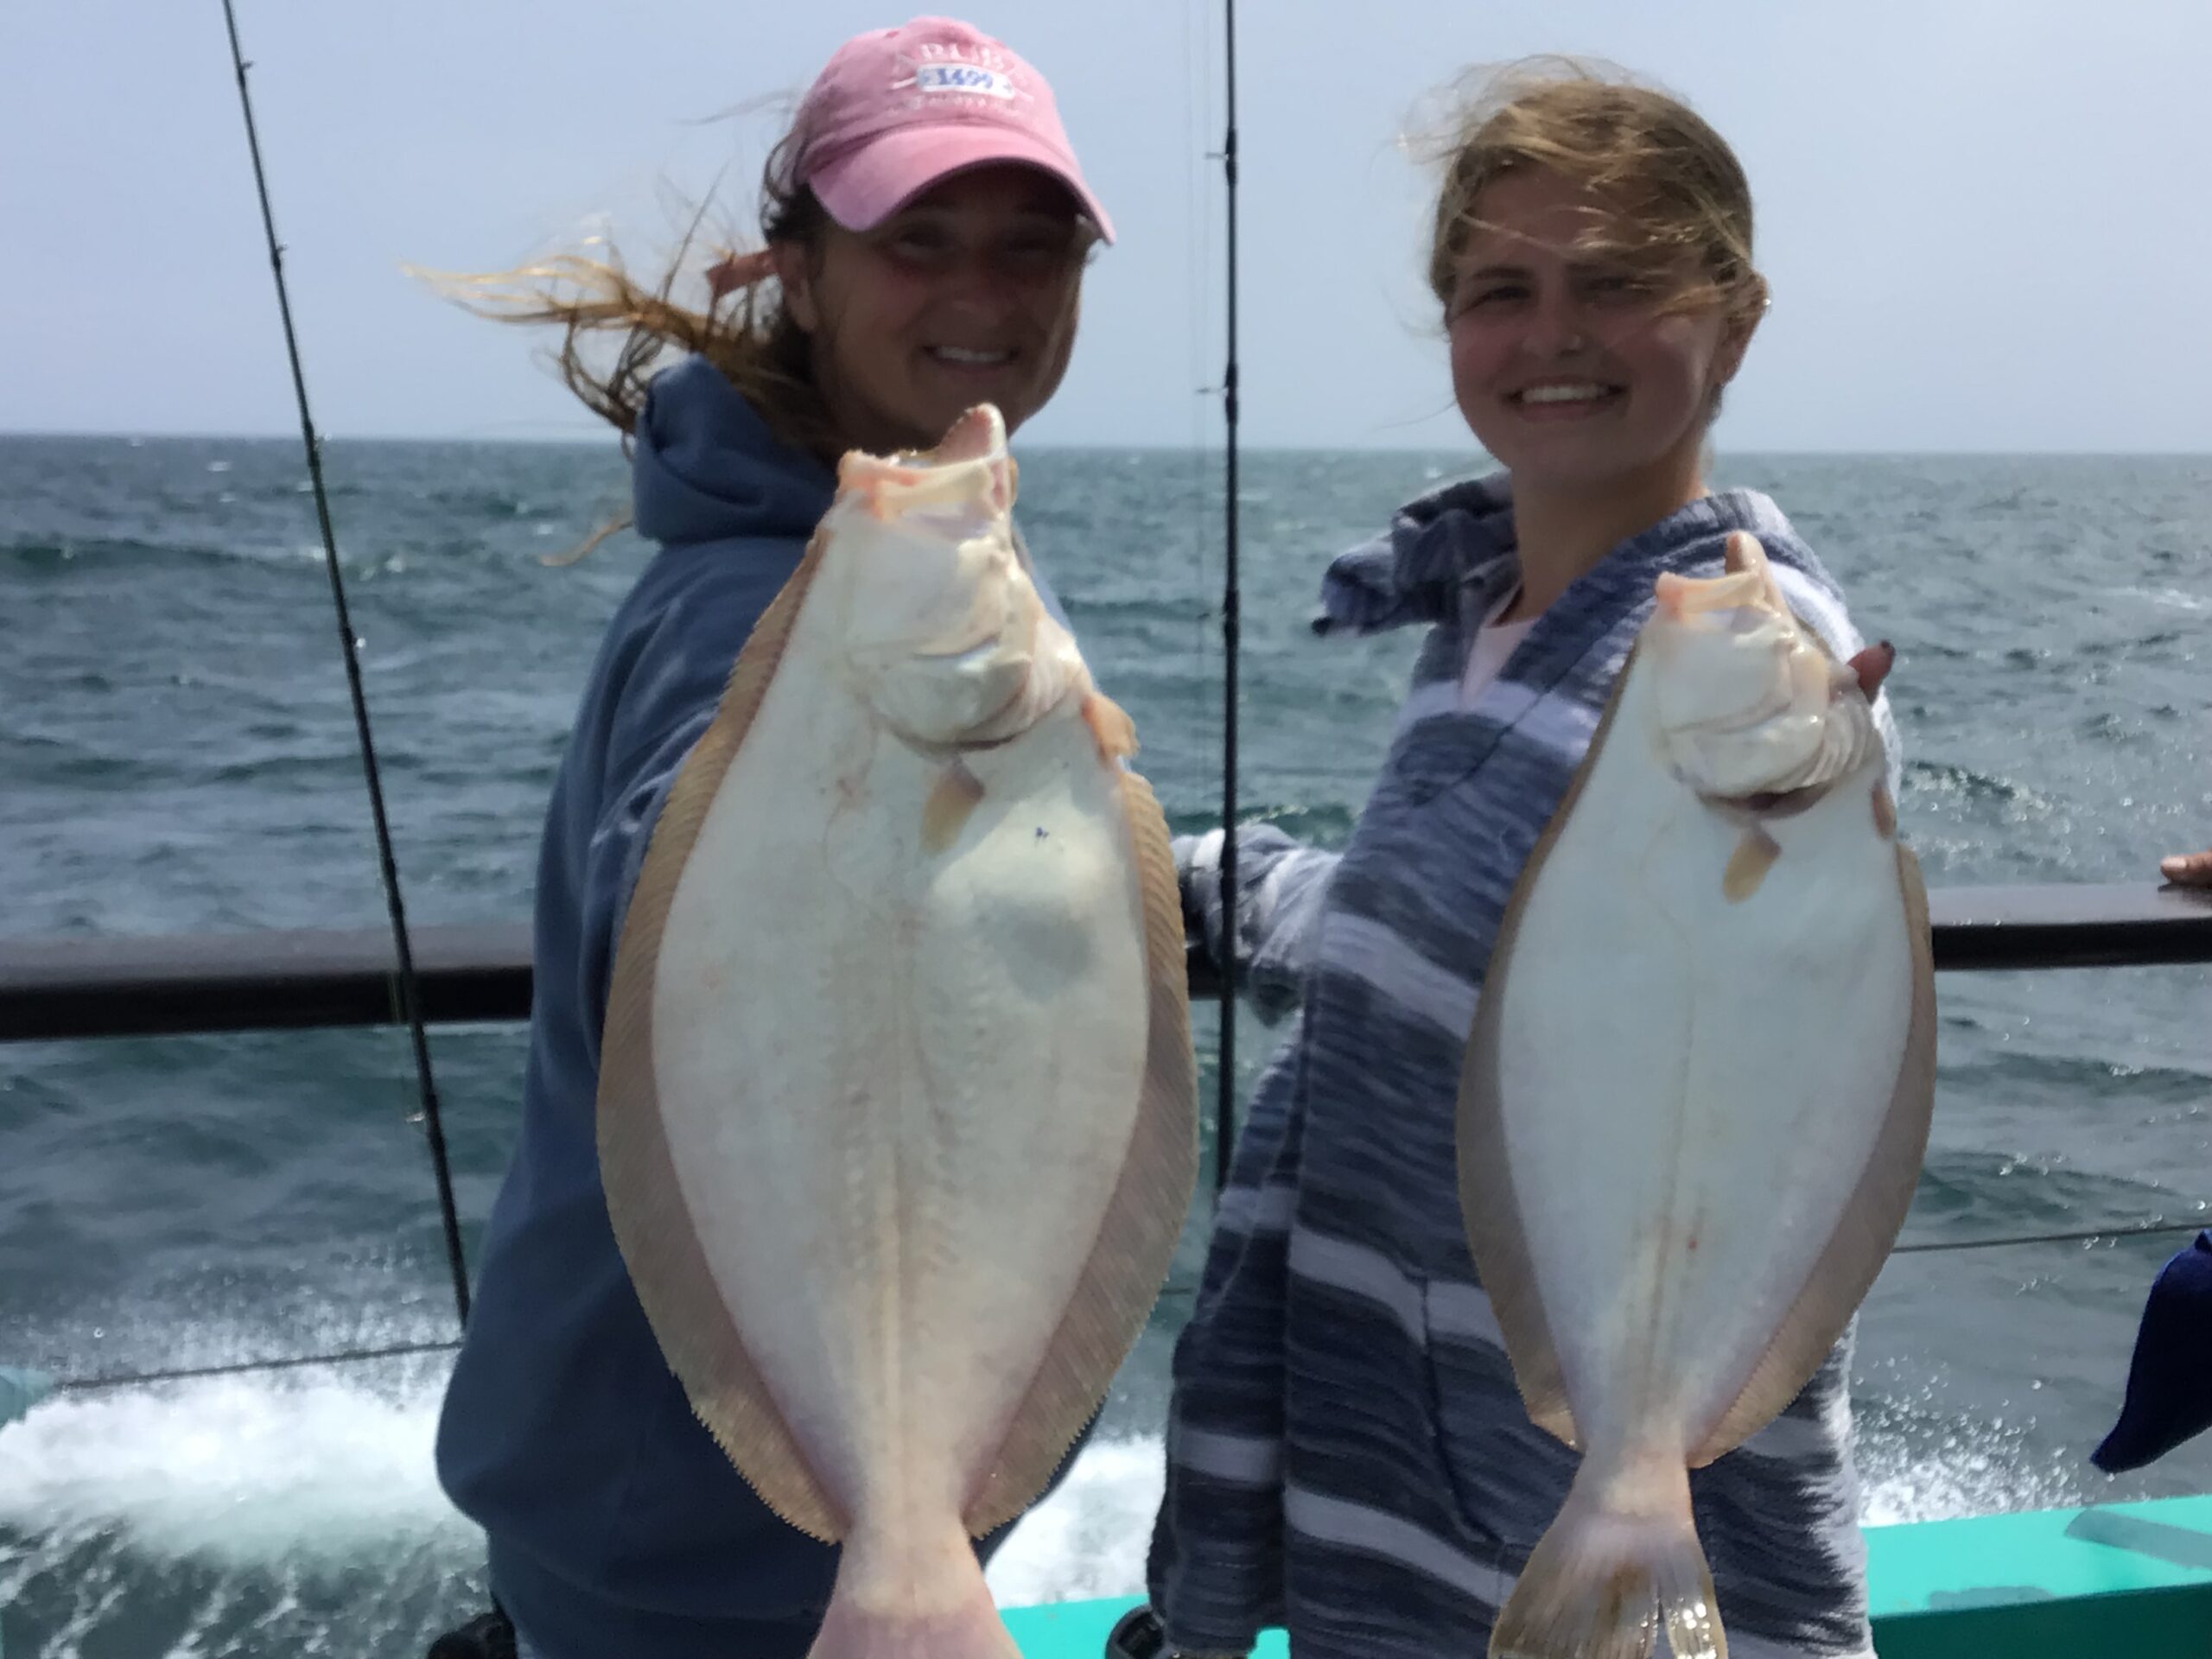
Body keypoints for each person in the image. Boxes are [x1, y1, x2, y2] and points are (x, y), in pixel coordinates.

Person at [1134, 60, 1899, 1659]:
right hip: (1395, 1491)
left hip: (1584, 1502)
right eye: (1502, 292)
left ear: (1736, 319)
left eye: (1616, 283)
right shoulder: (1491, 618)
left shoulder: (1757, 664)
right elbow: (1471, 938)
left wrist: (1832, 776)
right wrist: (1204, 876)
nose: (1554, 333)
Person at [421, 17, 1114, 1658]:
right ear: (798, 273)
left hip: (768, 1512)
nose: (985, 291)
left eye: (1033, 247)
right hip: (707, 1553)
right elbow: (686, 900)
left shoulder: (860, 541)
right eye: (917, 240)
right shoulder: (766, 603)